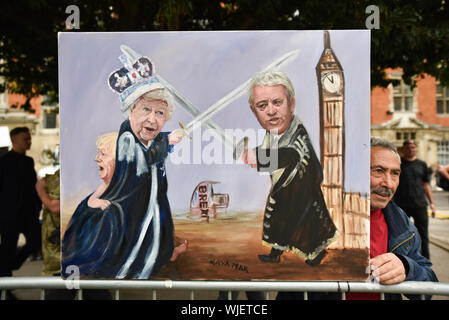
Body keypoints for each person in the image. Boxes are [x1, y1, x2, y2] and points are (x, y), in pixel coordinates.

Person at [62, 45, 186, 280]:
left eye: (160, 113)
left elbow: (154, 147)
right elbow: (142, 162)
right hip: (127, 204)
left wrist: (164, 140)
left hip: (151, 200)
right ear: (131, 112)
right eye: (146, 110)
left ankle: (163, 253)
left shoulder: (147, 137)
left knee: (159, 228)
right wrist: (166, 141)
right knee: (125, 241)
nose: (153, 118)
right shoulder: (127, 138)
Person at [278, 137, 438, 300]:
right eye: (378, 171)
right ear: (355, 171)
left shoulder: (401, 224)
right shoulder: (315, 215)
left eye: (395, 173)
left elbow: (429, 286)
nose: (388, 183)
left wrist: (407, 268)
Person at [242, 71, 338, 266]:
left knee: (307, 230)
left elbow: (292, 155)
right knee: (281, 225)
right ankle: (275, 254)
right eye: (262, 105)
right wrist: (252, 154)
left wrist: (259, 157)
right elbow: (272, 154)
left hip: (303, 196)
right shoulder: (273, 134)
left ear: (291, 104)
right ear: (254, 111)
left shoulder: (298, 134)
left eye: (277, 102)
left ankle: (316, 255)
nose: (271, 111)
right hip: (284, 194)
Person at [0, 127, 42, 287]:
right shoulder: (3, 161)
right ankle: (5, 286)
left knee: (35, 240)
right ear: (14, 140)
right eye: (25, 139)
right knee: (7, 248)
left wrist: (37, 205)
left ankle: (12, 264)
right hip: (8, 214)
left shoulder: (28, 161)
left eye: (29, 138)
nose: (29, 142)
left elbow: (32, 186)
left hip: (28, 213)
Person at [393, 139, 435, 259]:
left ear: (416, 149)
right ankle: (402, 259)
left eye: (413, 147)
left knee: (423, 235)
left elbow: (426, 185)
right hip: (401, 205)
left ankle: (425, 261)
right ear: (404, 149)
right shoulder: (398, 165)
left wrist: (432, 203)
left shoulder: (422, 164)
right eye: (408, 147)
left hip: (420, 204)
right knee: (400, 234)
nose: (410, 149)